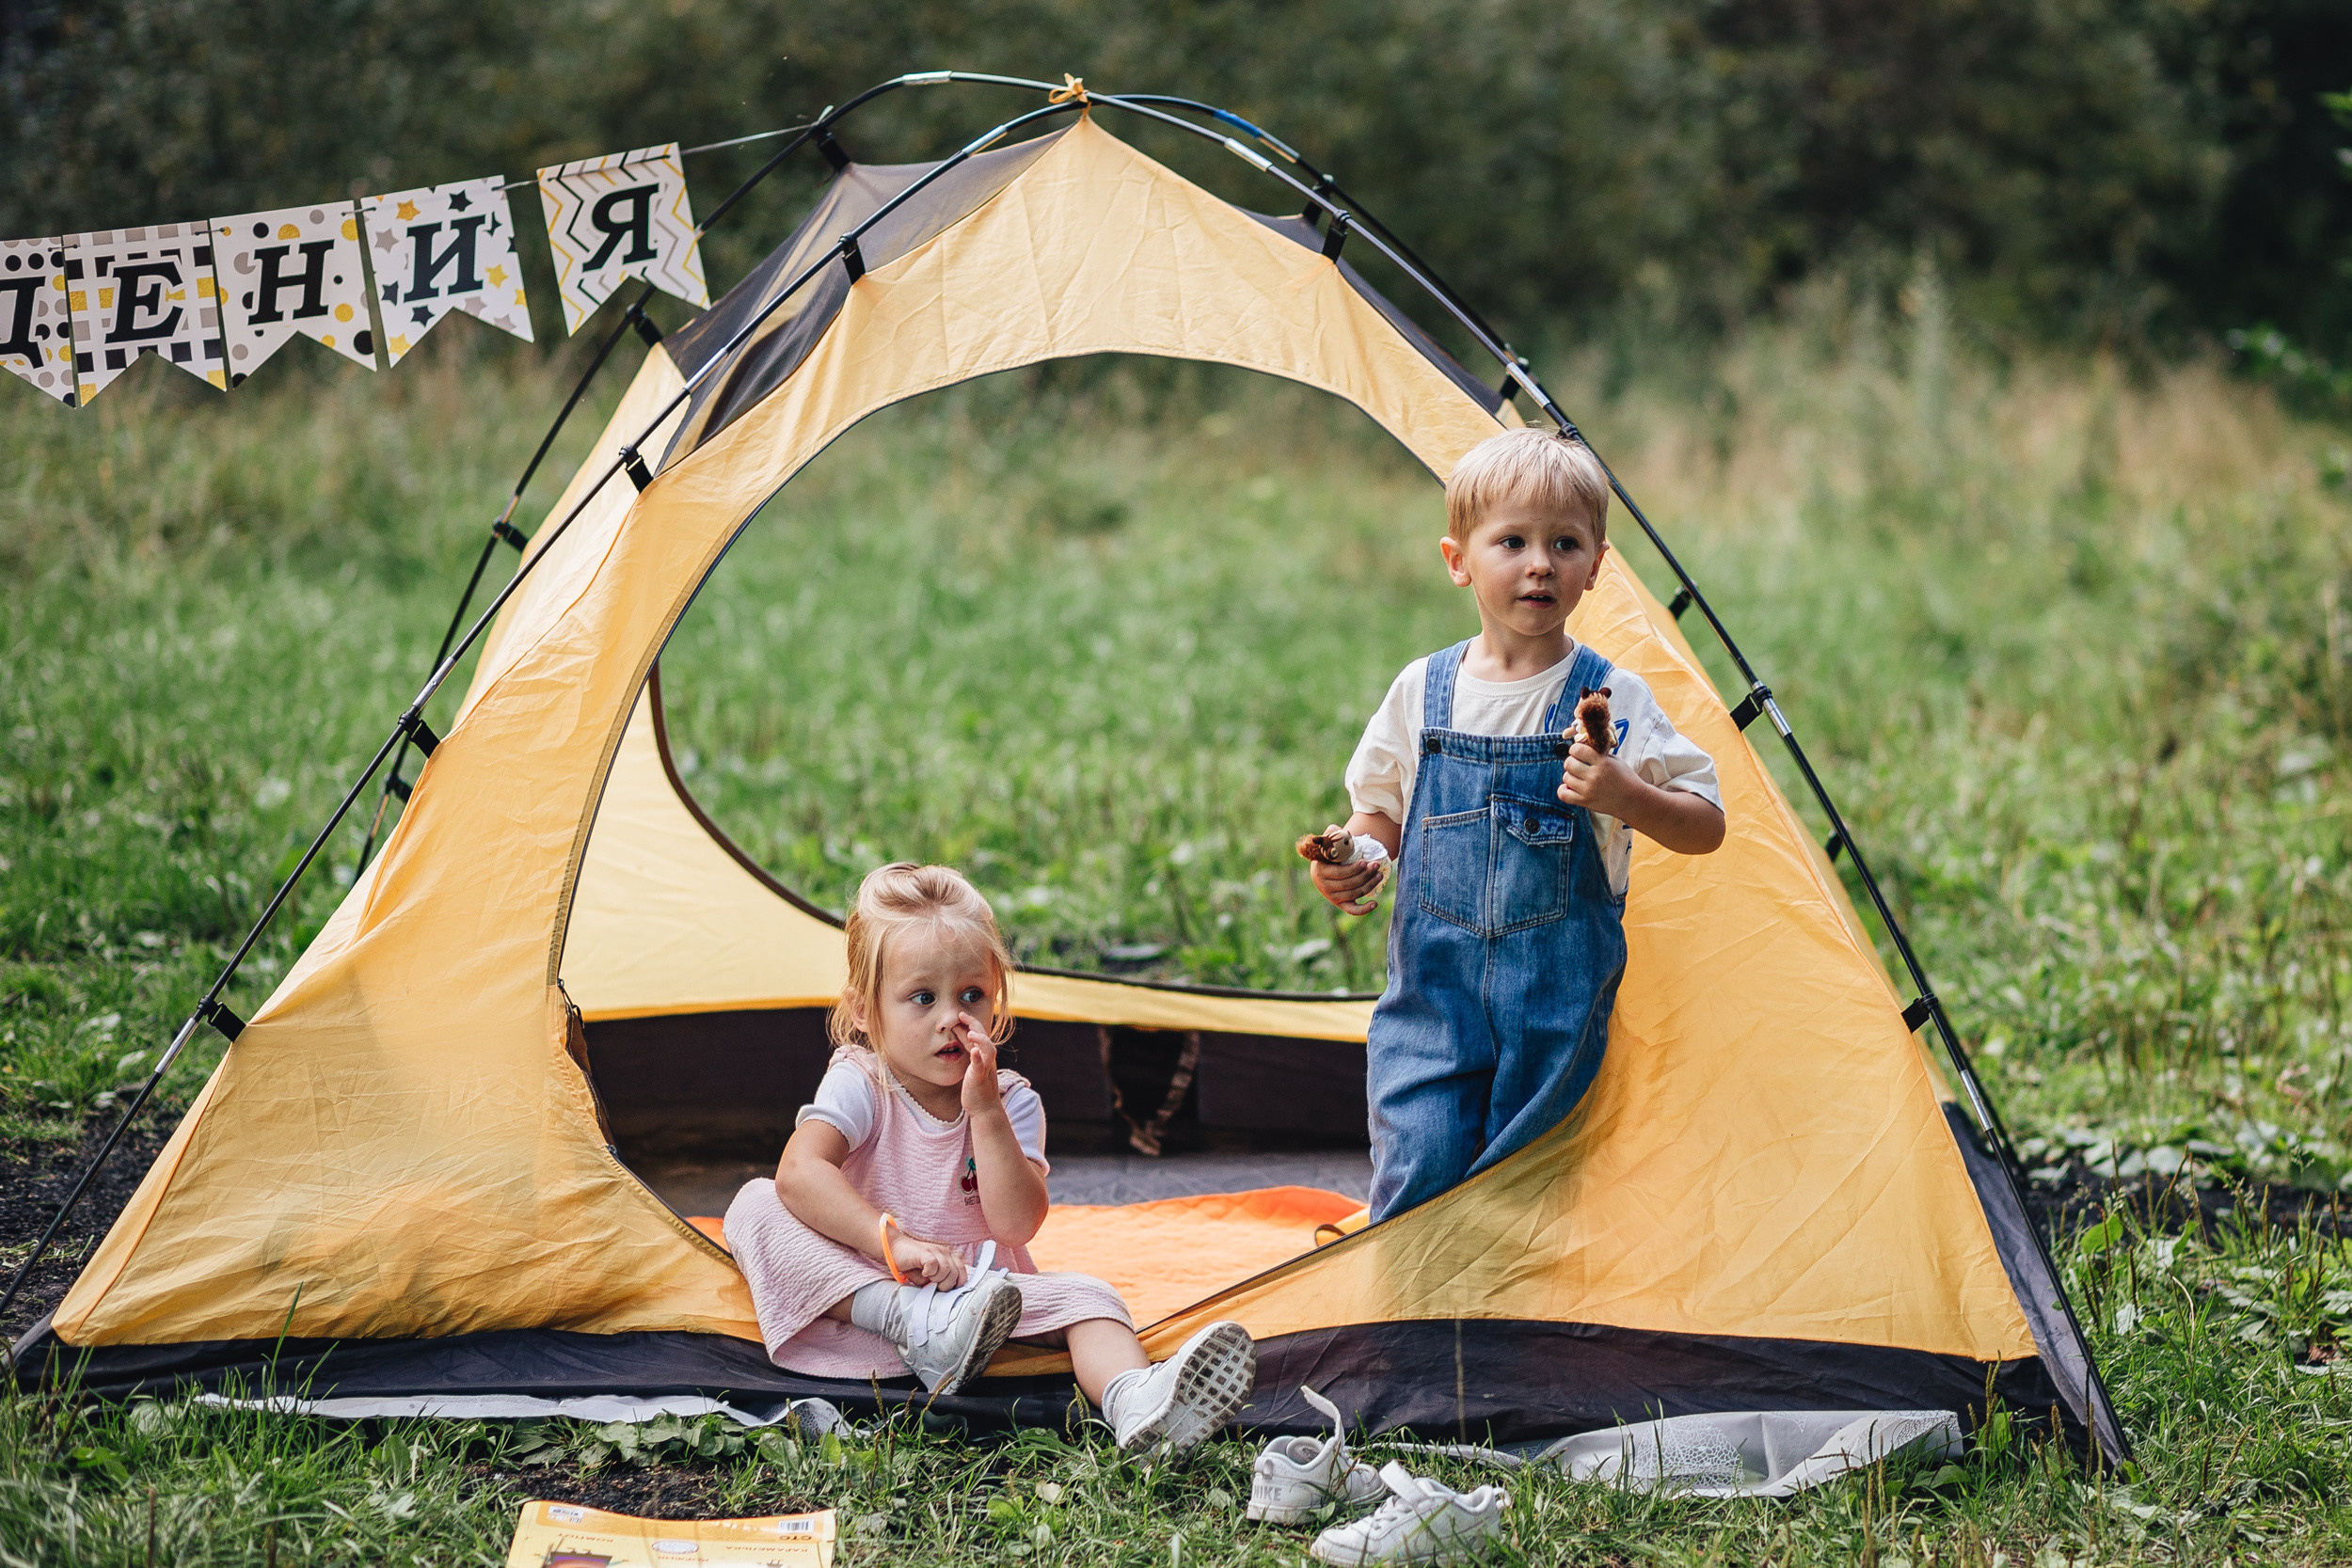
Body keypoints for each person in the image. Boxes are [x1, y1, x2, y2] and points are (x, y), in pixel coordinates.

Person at [1310, 428, 1726, 1222]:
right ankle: (1409, 1336)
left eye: (1564, 542)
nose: (1540, 562)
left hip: (1555, 1013)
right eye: (1513, 541)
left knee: (1526, 1199)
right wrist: (1352, 859)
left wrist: (1625, 795)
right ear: (1458, 559)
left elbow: (1706, 824)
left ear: (1595, 566)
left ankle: (1500, 1343)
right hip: (1433, 1004)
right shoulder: (1422, 691)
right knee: (1419, 1168)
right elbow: (1379, 817)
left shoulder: (1613, 695)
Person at [724, 862, 1255, 1458]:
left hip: (984, 1317)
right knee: (755, 1203)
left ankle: (1138, 1404)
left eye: (971, 995)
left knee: (1094, 1298)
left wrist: (985, 1116)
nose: (953, 1018)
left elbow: (1015, 1225)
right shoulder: (862, 1083)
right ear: (862, 1011)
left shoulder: (1010, 1101)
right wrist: (890, 1247)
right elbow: (801, 1173)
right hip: (866, 1303)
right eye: (922, 998)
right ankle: (908, 1318)